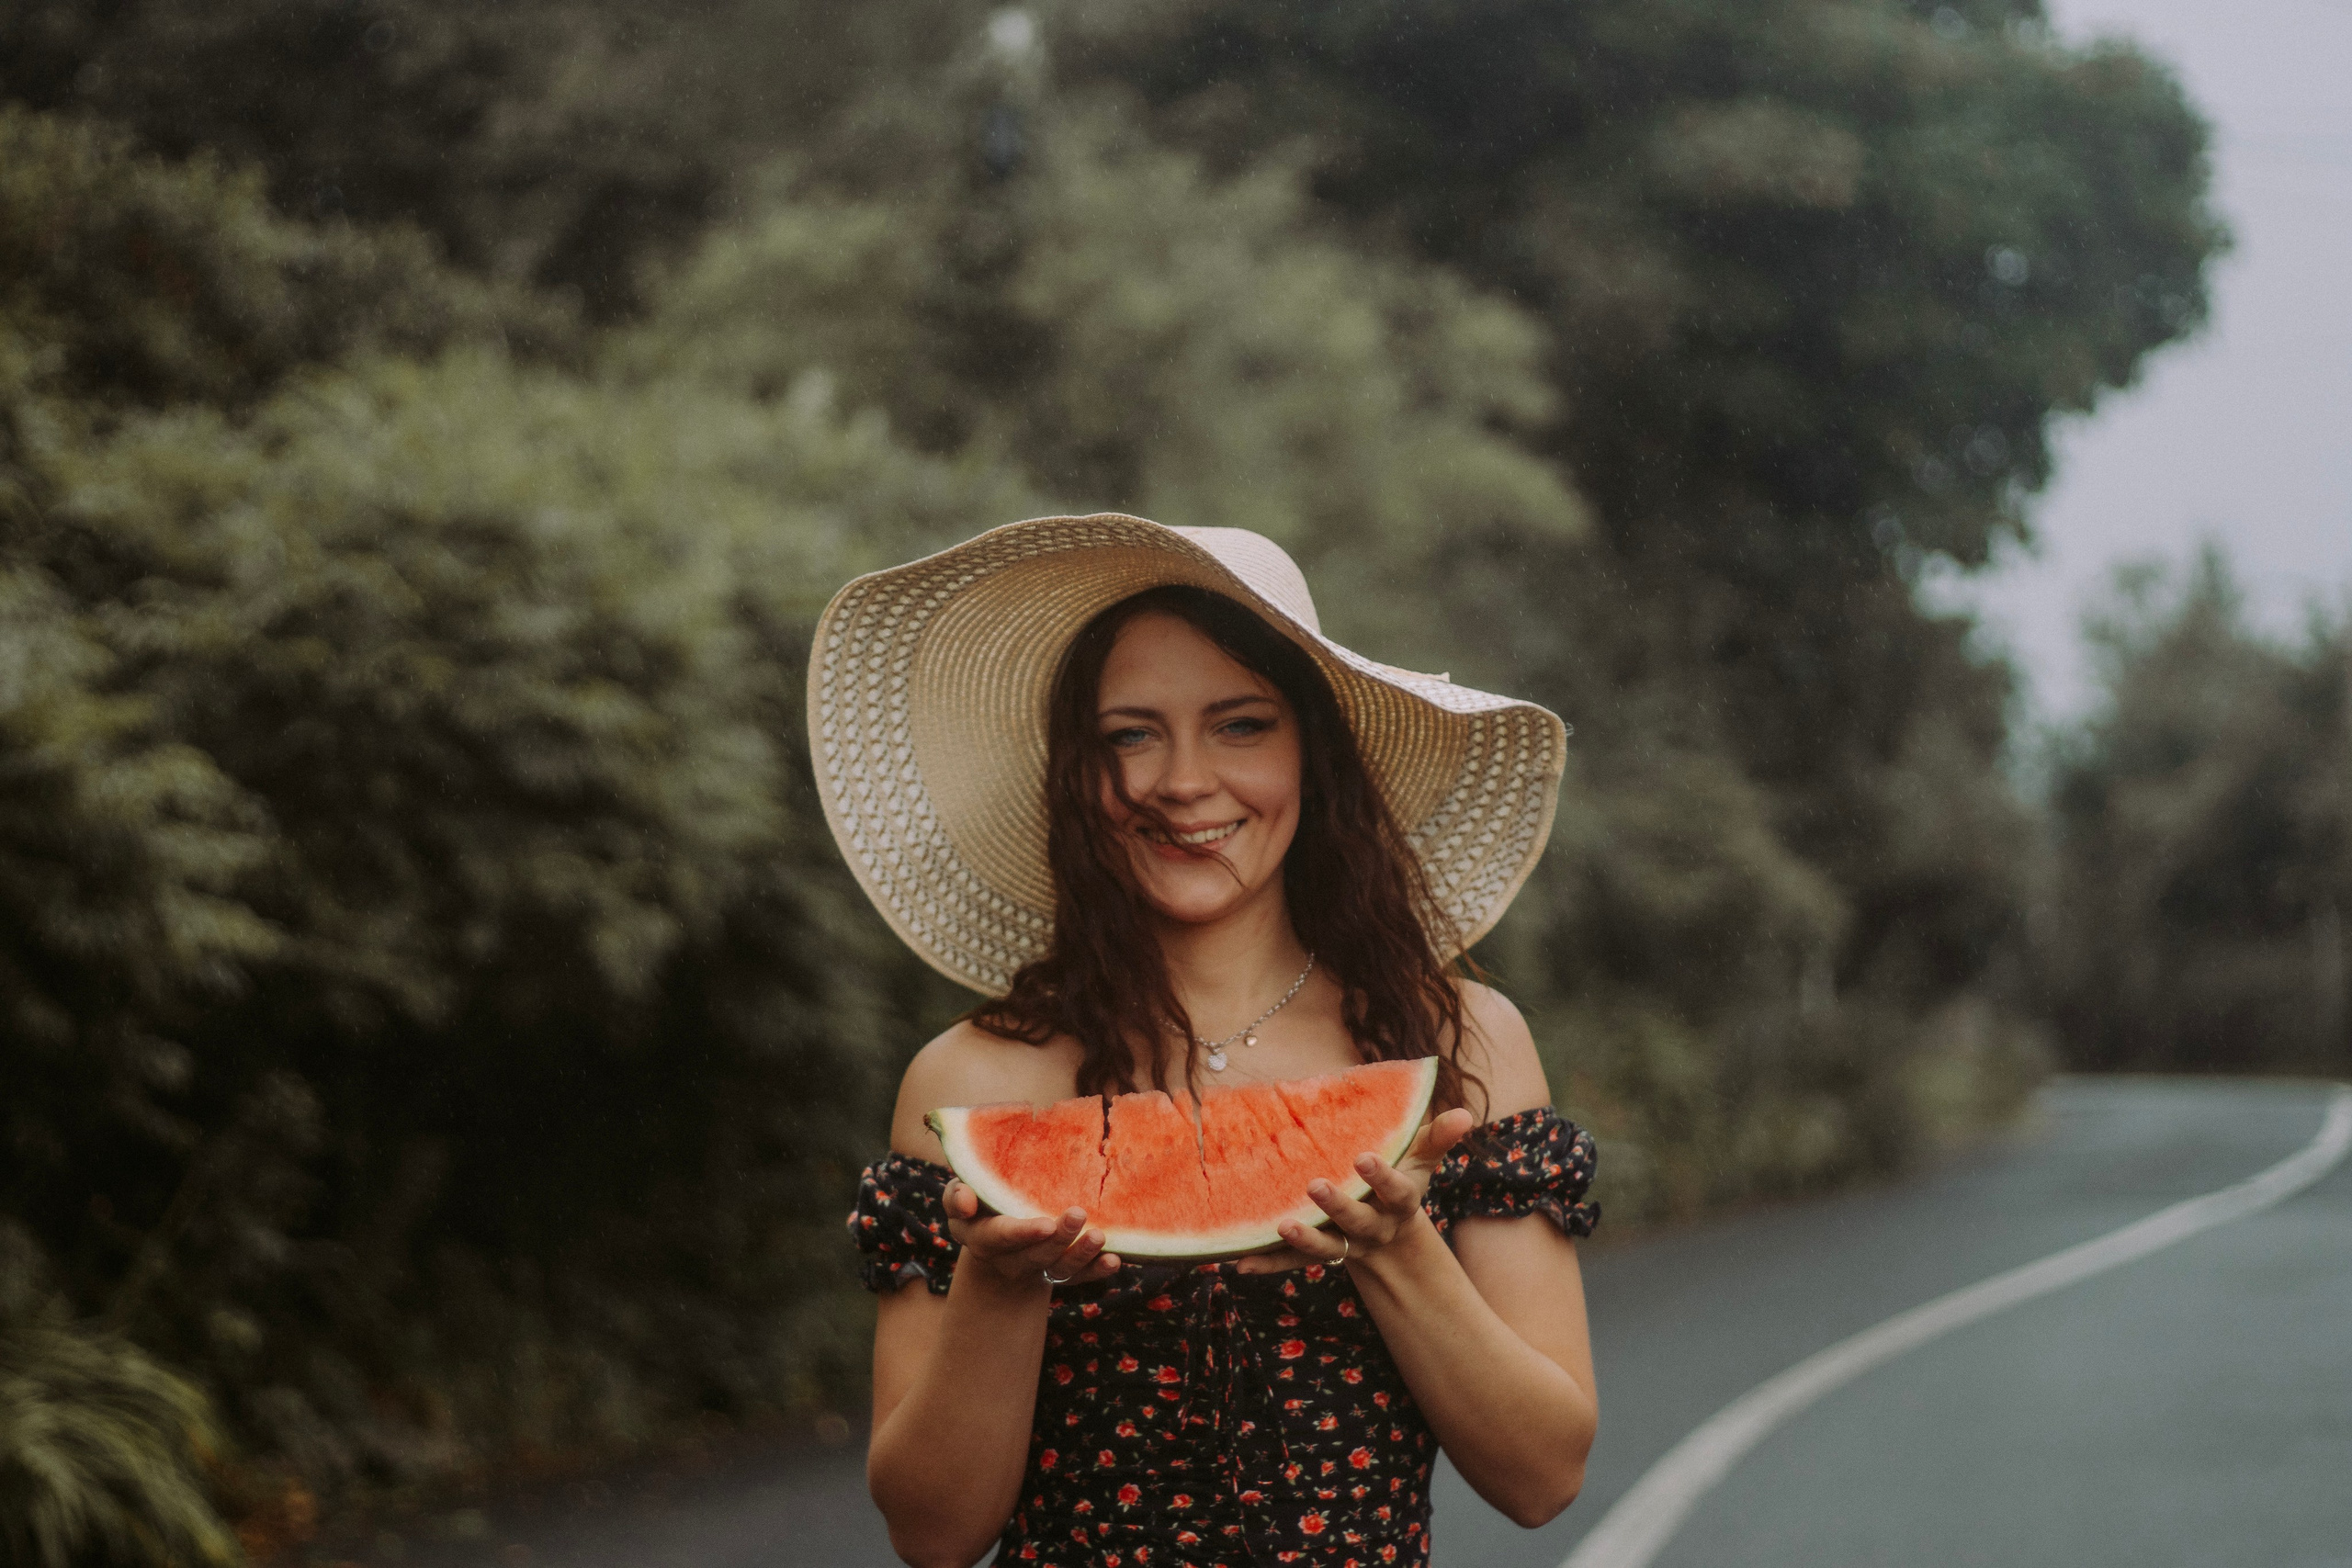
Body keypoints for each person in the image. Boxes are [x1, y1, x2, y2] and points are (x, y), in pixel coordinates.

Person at [818, 515, 1599, 1568]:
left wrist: (1396, 1250)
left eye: (1241, 725)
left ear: (1312, 757)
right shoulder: (971, 1084)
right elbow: (933, 1533)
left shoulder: (1460, 1049)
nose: (1181, 781)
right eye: (1128, 735)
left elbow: (1543, 1479)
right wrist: (1000, 1293)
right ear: (1076, 777)